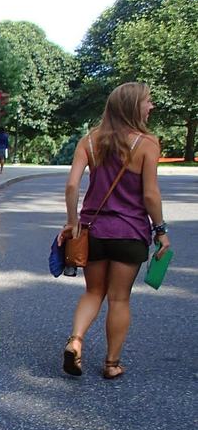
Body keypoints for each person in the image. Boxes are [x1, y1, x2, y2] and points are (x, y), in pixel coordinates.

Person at [58, 82, 170, 379]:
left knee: (93, 291)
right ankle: (111, 364)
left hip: (93, 230)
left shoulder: (90, 141)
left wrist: (73, 223)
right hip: (130, 231)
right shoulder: (147, 143)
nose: (151, 107)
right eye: (148, 101)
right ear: (134, 106)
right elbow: (150, 195)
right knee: (119, 298)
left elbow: (71, 185)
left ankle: (76, 340)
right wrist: (160, 231)